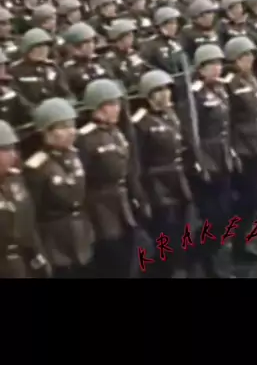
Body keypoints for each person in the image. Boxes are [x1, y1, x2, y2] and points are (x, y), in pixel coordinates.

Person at [76, 79, 150, 278]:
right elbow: (81, 181)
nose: (117, 109)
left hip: (122, 204)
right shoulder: (84, 138)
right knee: (111, 260)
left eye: (117, 103)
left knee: (130, 255)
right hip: (100, 208)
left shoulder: (116, 132)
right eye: (111, 104)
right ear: (97, 108)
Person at [24, 98, 94, 279]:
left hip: (82, 233)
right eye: (63, 127)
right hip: (55, 241)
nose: (71, 131)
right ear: (46, 131)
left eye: (72, 125)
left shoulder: (74, 154)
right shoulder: (36, 167)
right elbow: (33, 213)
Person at [133, 70, 193, 278]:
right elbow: (137, 162)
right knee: (164, 231)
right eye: (159, 90)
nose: (165, 94)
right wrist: (142, 194)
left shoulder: (171, 114)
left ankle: (181, 265)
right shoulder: (141, 123)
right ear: (148, 95)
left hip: (177, 177)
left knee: (182, 226)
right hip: (156, 183)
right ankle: (167, 270)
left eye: (167, 89)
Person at [187, 44, 236, 278]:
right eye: (211, 65)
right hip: (206, 160)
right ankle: (203, 260)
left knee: (225, 214)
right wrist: (200, 162)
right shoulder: (194, 95)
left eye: (219, 63)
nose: (217, 68)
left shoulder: (220, 88)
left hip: (222, 155)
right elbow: (191, 134)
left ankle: (202, 254)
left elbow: (226, 125)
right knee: (212, 217)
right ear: (200, 69)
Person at [223, 36, 257, 262]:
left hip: (255, 142)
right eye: (244, 56)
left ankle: (241, 239)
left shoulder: (250, 79)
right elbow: (226, 121)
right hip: (241, 146)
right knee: (248, 197)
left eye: (250, 55)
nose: (249, 59)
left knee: (256, 194)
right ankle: (237, 242)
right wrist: (232, 150)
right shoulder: (229, 83)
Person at [0, 120, 51, 278]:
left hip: (23, 265)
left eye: (13, 148)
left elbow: (29, 224)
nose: (13, 155)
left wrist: (39, 255)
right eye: (6, 149)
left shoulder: (15, 180)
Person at [10, 28, 72, 115]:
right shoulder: (15, 70)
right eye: (38, 47)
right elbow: (19, 99)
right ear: (27, 49)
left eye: (46, 46)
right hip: (32, 114)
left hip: (57, 112)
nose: (43, 50)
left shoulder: (52, 67)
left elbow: (65, 92)